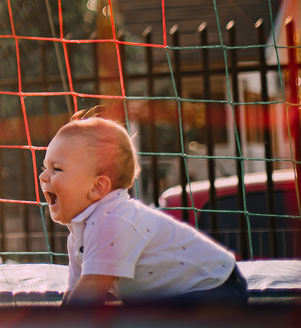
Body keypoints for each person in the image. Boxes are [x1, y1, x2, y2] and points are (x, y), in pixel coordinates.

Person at [40, 109, 248, 306]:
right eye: (45, 167)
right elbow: (74, 292)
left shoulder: (112, 220)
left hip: (213, 288)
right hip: (175, 295)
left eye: (56, 169)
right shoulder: (79, 234)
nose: (43, 176)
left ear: (97, 186)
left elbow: (90, 291)